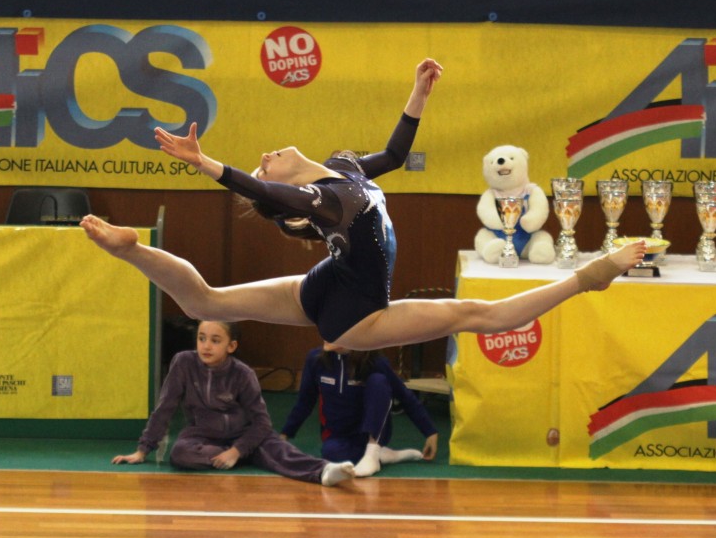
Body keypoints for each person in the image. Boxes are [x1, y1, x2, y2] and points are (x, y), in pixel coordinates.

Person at [80, 58, 646, 352]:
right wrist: (207, 165)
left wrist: (419, 94)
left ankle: (131, 251)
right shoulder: (322, 200)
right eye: (262, 165)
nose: (266, 157)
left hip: (325, 284)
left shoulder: (344, 169)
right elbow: (264, 194)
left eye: (263, 161)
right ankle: (593, 275)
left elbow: (396, 155)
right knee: (483, 316)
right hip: (358, 313)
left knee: (207, 300)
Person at [112, 320, 356, 487]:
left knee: (282, 452)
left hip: (245, 434)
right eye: (201, 338)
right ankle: (247, 456)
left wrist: (237, 449)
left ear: (231, 346)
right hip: (203, 436)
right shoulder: (183, 363)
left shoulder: (243, 374)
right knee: (180, 453)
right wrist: (143, 450)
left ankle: (324, 471)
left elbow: (262, 422)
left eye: (215, 340)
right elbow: (165, 406)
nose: (206, 346)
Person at [282, 342, 439, 477]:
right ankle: (384, 455)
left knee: (379, 381)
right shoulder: (316, 359)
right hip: (338, 434)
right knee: (331, 453)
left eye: (333, 329)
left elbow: (404, 395)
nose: (326, 334)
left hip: (373, 432)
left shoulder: (374, 361)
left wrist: (430, 432)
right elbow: (305, 401)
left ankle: (373, 452)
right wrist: (285, 434)